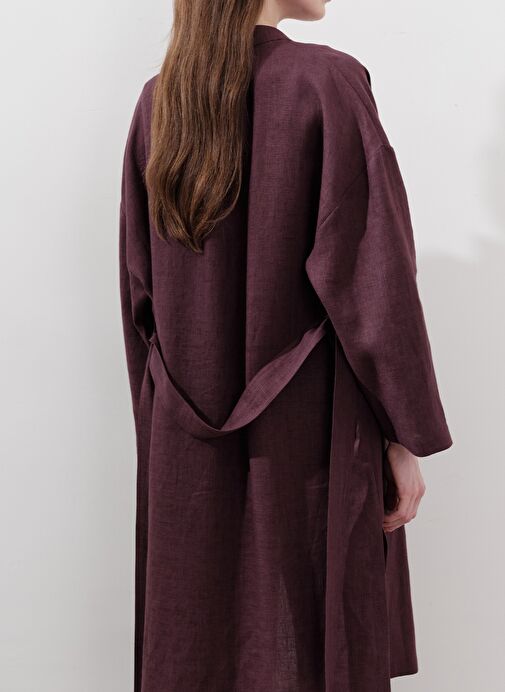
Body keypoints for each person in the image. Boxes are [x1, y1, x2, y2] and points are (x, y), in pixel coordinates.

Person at [119, 1, 453, 690]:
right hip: (311, 442)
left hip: (185, 442)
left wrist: (163, 432)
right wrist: (403, 434)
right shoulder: (326, 83)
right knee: (313, 643)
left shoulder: (160, 103)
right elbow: (374, 277)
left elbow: (139, 299)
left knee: (199, 649)